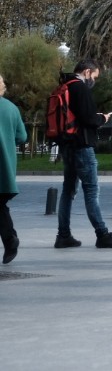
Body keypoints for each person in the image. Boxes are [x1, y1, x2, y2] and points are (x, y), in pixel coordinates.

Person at [55, 60, 112, 249]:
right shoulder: (81, 89)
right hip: (82, 146)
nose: (94, 81)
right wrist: (102, 118)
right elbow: (88, 119)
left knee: (68, 191)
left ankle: (63, 235)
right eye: (94, 76)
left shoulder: (65, 86)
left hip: (67, 145)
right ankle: (102, 234)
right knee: (91, 191)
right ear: (87, 72)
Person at [1, 73, 28, 264]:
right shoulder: (12, 108)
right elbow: (22, 137)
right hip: (5, 169)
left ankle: (11, 240)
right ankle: (10, 240)